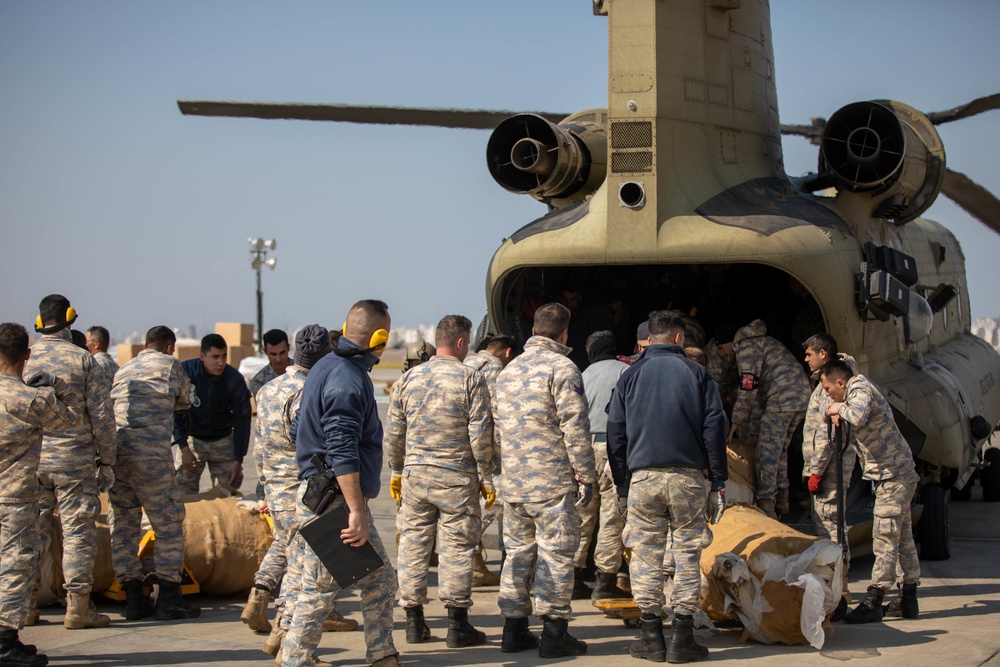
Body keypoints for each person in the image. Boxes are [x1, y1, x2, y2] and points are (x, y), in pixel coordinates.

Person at [281, 300, 399, 667]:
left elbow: (300, 424)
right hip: (335, 501)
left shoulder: (328, 365)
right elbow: (343, 451)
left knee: (377, 583)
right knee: (319, 592)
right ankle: (294, 661)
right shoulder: (347, 378)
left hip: (329, 496)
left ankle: (382, 656)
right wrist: (355, 511)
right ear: (379, 338)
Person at [606, 310, 728, 664]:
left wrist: (623, 483)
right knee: (687, 554)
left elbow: (616, 432)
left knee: (645, 555)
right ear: (679, 338)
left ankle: (650, 638)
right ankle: (682, 639)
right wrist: (716, 479)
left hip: (642, 477)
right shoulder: (697, 373)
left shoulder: (631, 376)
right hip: (688, 477)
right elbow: (714, 429)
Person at [245, 326, 356, 661]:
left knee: (296, 567)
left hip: (277, 493)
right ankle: (291, 648)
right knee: (306, 576)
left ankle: (279, 636)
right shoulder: (314, 390)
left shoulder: (267, 390)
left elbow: (259, 448)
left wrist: (264, 486)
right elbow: (316, 447)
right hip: (308, 495)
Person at [493, 302, 596, 659]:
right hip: (551, 483)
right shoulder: (562, 368)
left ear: (535, 330)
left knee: (517, 555)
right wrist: (585, 475)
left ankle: (514, 629)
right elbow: (575, 427)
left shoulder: (508, 370)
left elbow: (496, 428)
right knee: (555, 555)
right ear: (564, 333)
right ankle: (553, 633)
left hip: (515, 483)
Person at [385, 315, 494, 649]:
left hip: (416, 477)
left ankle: (414, 622)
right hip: (456, 477)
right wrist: (487, 475)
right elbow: (480, 434)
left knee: (413, 546)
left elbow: (394, 432)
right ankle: (457, 624)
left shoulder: (409, 378)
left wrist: (396, 471)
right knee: (457, 547)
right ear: (461, 342)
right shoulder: (470, 378)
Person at [23, 294, 115, 629]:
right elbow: (103, 415)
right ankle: (77, 608)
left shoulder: (27, 358)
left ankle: (26, 605)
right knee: (77, 532)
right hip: (74, 462)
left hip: (33, 460)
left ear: (39, 322)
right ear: (71, 319)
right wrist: (108, 460)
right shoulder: (83, 360)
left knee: (33, 531)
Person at [0, 322, 80, 666]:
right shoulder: (32, 399)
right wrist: (57, 387)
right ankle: (4, 639)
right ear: (27, 356)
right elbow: (73, 419)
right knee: (15, 567)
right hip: (14, 499)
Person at [108, 326, 201, 621]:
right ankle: (169, 600)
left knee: (124, 524)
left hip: (118, 455)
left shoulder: (124, 368)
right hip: (151, 457)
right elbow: (186, 400)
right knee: (168, 524)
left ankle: (134, 599)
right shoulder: (170, 365)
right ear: (170, 347)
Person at [820, 360, 920, 624]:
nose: (827, 394)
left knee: (885, 536)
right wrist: (835, 409)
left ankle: (875, 599)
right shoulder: (851, 392)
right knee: (902, 537)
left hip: (894, 476)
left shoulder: (859, 387)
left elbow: (857, 415)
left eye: (829, 388)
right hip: (895, 474)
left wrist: (838, 408)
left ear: (841, 382)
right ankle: (909, 598)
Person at [716, 319, 809, 518]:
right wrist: (754, 430)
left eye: (720, 347)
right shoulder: (762, 342)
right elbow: (758, 399)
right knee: (779, 451)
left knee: (766, 455)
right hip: (798, 397)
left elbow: (749, 387)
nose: (721, 353)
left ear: (729, 343)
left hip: (782, 398)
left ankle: (767, 509)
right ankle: (783, 503)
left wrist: (737, 420)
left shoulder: (747, 347)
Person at [801, 333, 858, 619]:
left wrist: (815, 471)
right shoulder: (838, 379)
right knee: (834, 524)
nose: (806, 359)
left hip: (828, 469)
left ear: (823, 354)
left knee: (830, 527)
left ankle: (838, 591)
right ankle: (839, 587)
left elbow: (826, 435)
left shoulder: (829, 387)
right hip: (829, 466)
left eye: (809, 354)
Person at [576, 330, 629, 602]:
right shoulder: (625, 372)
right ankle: (604, 582)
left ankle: (574, 578)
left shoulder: (581, 376)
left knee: (582, 515)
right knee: (612, 515)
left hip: (584, 449)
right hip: (612, 448)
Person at [463, 333, 515, 586]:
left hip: (458, 451)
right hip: (487, 453)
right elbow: (497, 416)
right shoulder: (497, 370)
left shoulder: (465, 364)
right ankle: (473, 561)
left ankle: (474, 564)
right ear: (507, 352)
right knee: (494, 504)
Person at [172, 334, 251, 493]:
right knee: (182, 489)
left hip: (222, 439)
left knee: (229, 488)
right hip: (193, 440)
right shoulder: (186, 373)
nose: (220, 363)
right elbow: (175, 412)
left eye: (224, 356)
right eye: (215, 357)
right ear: (202, 356)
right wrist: (184, 448)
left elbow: (242, 419)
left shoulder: (234, 379)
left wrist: (238, 459)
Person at [251, 329, 291, 399]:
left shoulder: (303, 372)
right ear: (265, 351)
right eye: (273, 354)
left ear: (288, 348)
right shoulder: (260, 381)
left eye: (282, 353)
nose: (278, 359)